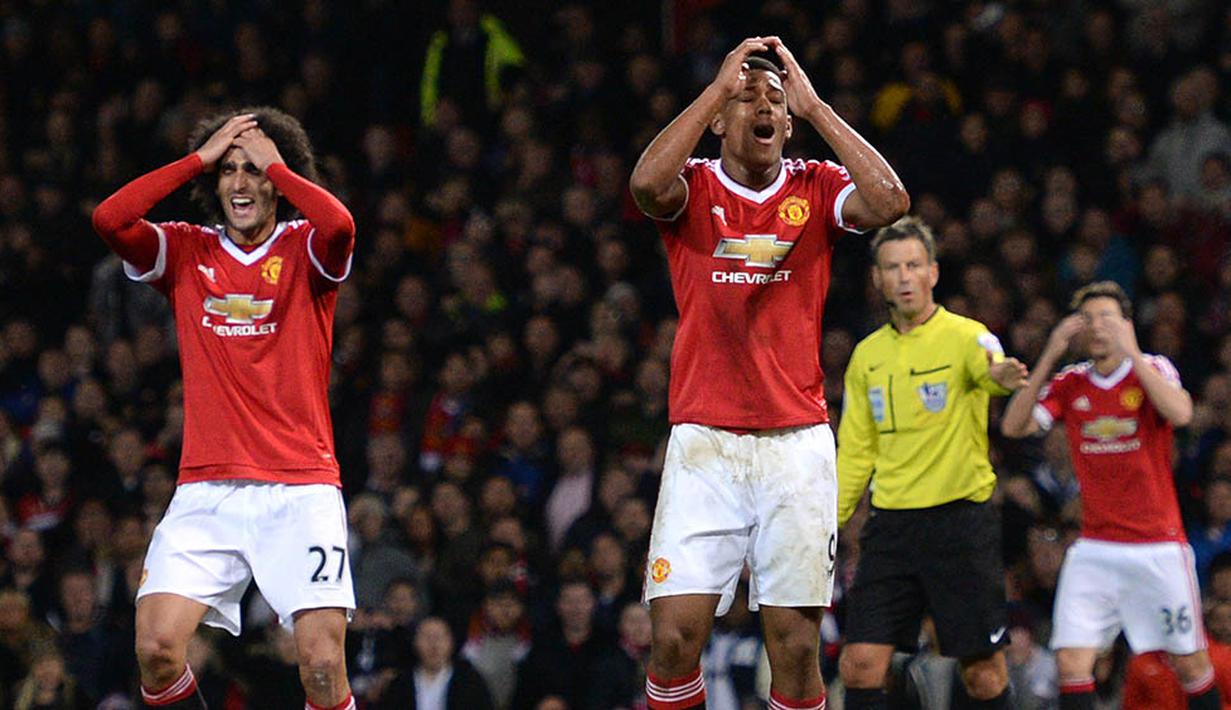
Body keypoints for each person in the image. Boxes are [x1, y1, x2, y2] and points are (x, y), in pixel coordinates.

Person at [628, 36, 910, 710]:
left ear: (787, 124)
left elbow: (890, 202)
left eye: (774, 101)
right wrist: (713, 91)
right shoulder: (693, 185)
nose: (762, 106)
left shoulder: (815, 185)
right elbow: (643, 186)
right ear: (721, 117)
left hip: (794, 445)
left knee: (793, 648)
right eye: (745, 97)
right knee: (671, 640)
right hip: (704, 443)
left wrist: (816, 107)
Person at [91, 106, 357, 709]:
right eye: (230, 170)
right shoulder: (188, 252)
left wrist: (280, 168)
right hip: (207, 492)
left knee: (320, 664)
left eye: (254, 170)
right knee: (157, 650)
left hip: (300, 488)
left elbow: (340, 225)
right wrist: (197, 160)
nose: (242, 182)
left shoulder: (304, 246)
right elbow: (110, 219)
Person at [836, 217, 1028, 709]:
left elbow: (993, 372)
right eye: (892, 268)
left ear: (934, 273)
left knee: (983, 674)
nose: (903, 277)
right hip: (892, 528)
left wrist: (1003, 376)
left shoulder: (967, 337)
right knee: (859, 665)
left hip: (960, 523)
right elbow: (857, 450)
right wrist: (828, 524)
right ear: (877, 279)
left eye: (913, 266)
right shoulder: (866, 357)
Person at [1002, 280, 1221, 710]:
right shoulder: (1071, 383)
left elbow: (1181, 413)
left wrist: (1134, 354)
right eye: (1088, 319)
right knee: (1071, 662)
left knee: (1190, 663)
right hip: (1096, 548)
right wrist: (1049, 354)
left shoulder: (1153, 368)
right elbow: (1014, 427)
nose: (1098, 326)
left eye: (1108, 317)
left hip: (1157, 546)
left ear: (1126, 324)